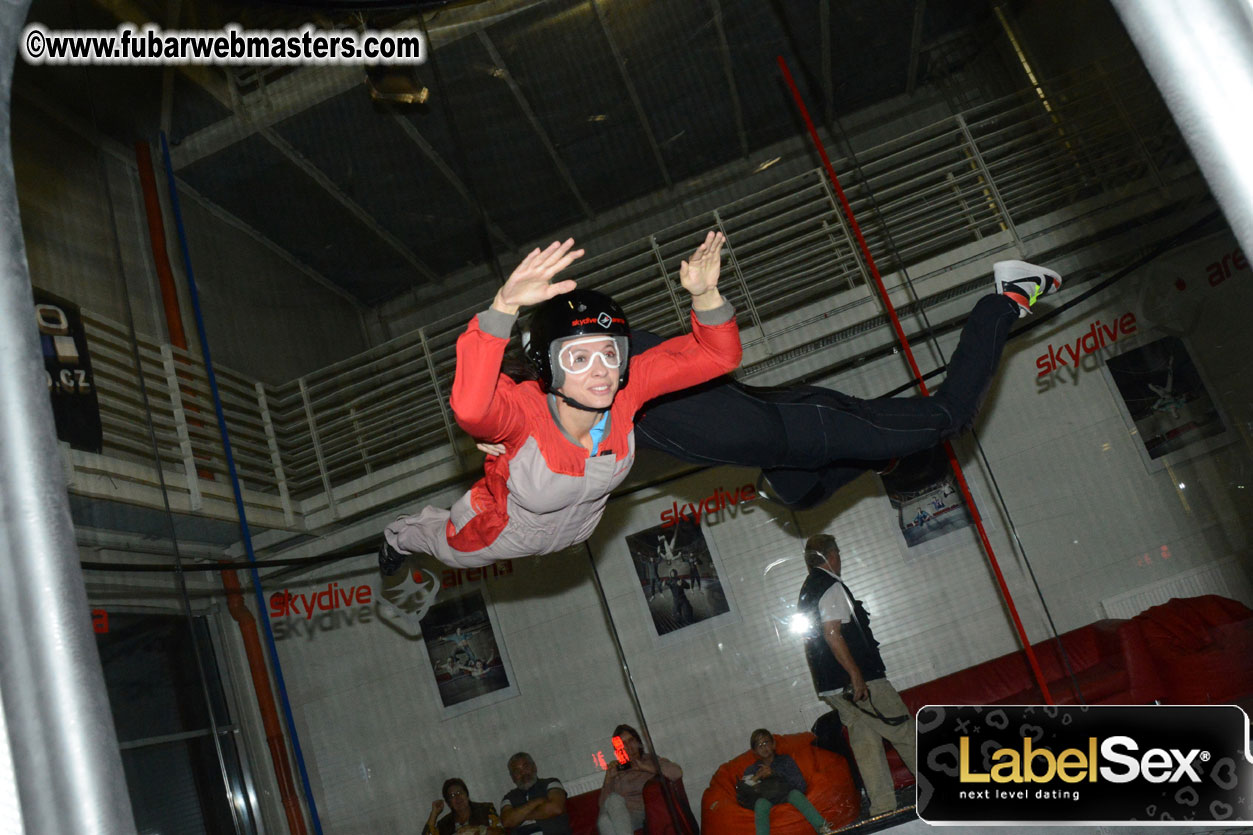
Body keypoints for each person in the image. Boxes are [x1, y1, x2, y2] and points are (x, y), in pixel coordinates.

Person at [379, 232, 741, 573]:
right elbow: (472, 409)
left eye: (608, 354)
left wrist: (705, 293)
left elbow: (718, 357)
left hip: (577, 533)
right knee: (443, 547)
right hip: (498, 534)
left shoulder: (626, 392)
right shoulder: (524, 416)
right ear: (550, 367)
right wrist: (504, 306)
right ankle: (399, 537)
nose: (601, 372)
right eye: (579, 359)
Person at [627, 259, 1062, 509]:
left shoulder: (624, 394)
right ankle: (1011, 296)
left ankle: (1010, 297)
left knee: (953, 416)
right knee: (951, 417)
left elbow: (783, 486)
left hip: (795, 426)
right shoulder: (618, 420)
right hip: (796, 435)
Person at [796, 534, 916, 818]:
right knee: (903, 731)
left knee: (865, 743)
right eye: (838, 552)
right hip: (860, 680)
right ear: (830, 555)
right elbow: (832, 634)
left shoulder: (807, 590)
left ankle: (884, 808)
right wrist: (856, 674)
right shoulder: (830, 587)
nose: (841, 558)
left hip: (832, 687)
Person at [741, 728, 837, 835]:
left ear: (773, 744)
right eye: (759, 745)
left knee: (795, 794)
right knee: (760, 804)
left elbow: (801, 785)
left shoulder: (785, 760)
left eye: (766, 742)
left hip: (786, 794)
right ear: (754, 751)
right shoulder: (752, 769)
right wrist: (756, 777)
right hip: (766, 798)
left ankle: (822, 828)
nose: (764, 747)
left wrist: (774, 773)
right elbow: (743, 796)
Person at [598, 724, 682, 835]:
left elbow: (676, 772)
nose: (629, 746)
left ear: (638, 742)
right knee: (604, 820)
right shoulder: (618, 770)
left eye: (631, 741)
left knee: (613, 802)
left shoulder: (649, 760)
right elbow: (602, 806)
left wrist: (643, 767)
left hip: (642, 812)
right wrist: (608, 779)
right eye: (623, 744)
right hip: (621, 816)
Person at [500, 752, 571, 835]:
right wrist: (537, 801)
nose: (523, 773)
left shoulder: (551, 783)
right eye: (517, 771)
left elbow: (556, 808)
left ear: (534, 767)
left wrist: (519, 816)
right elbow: (507, 821)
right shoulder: (509, 797)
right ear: (512, 777)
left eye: (526, 767)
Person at [426, 778, 505, 835]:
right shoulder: (443, 824)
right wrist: (433, 814)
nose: (458, 797)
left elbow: (501, 832)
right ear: (448, 802)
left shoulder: (485, 810)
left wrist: (479, 830)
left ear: (467, 795)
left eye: (460, 792)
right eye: (452, 795)